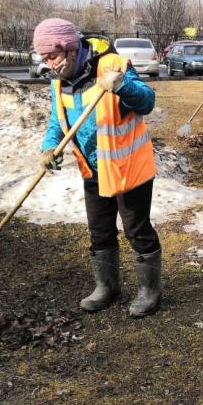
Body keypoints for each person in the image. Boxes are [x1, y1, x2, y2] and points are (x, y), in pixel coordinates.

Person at [33, 18, 161, 318]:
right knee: (99, 232)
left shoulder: (113, 64)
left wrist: (122, 85)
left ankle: (149, 291)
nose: (49, 64)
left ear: (71, 49)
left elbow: (147, 102)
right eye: (44, 59)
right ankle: (107, 287)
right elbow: (57, 120)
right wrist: (49, 146)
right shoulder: (58, 82)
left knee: (136, 230)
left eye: (52, 56)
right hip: (92, 169)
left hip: (129, 168)